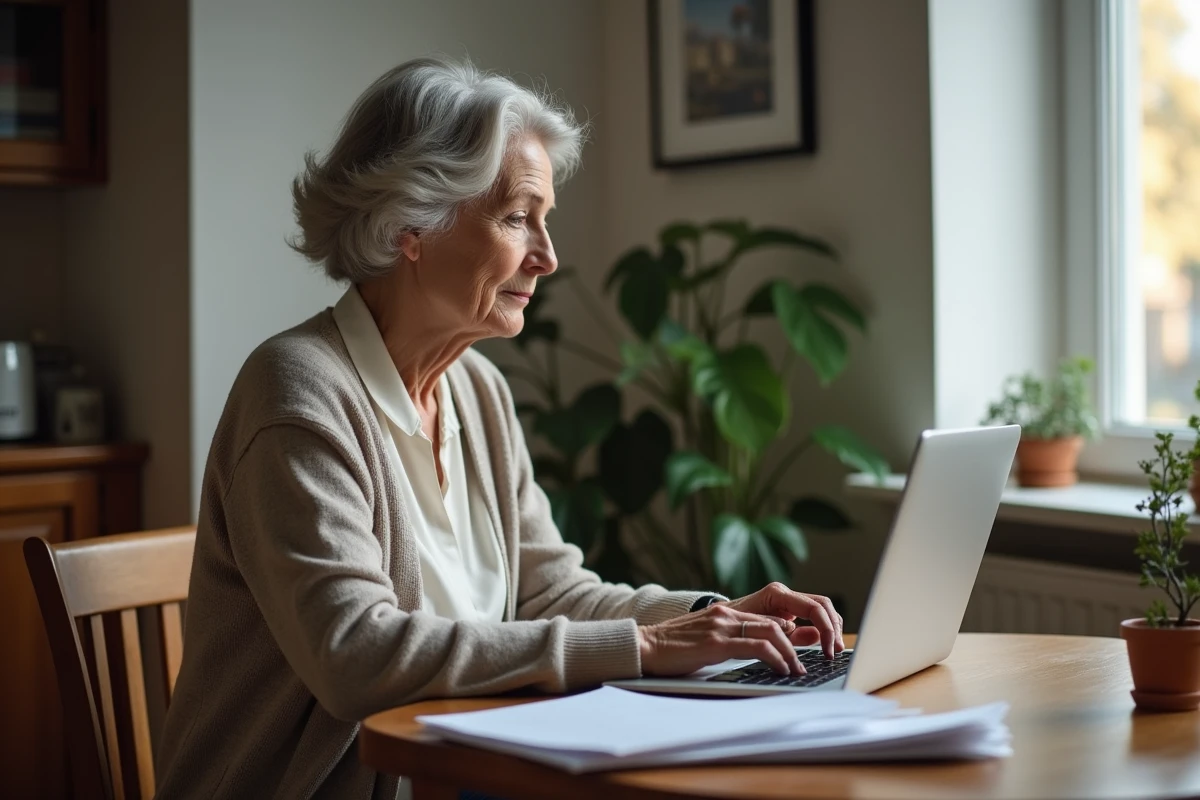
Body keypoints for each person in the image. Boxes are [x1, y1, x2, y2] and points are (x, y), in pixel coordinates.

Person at [155, 56, 844, 799]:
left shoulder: (475, 389)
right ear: (409, 225)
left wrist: (713, 619)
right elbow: (357, 655)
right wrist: (645, 647)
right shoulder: (296, 393)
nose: (547, 257)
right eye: (518, 218)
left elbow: (552, 594)